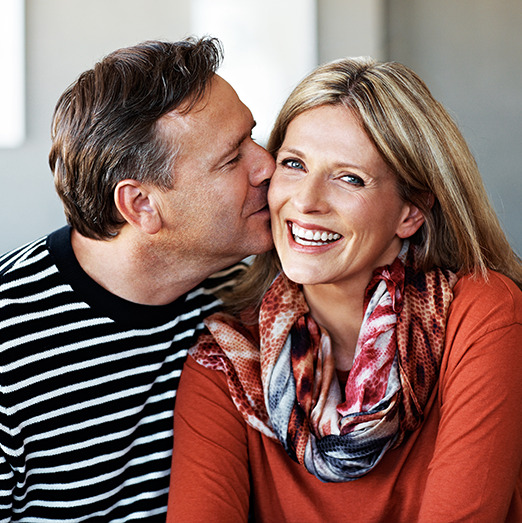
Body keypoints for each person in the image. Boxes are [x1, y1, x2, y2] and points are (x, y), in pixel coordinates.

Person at [167, 56, 522, 522]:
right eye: (294, 164)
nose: (307, 201)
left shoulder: (482, 314)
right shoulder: (228, 362)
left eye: (349, 177)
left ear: (410, 212)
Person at [0, 37, 274, 521]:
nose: (267, 165)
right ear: (141, 205)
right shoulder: (11, 342)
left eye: (252, 135)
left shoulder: (242, 297)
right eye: (232, 158)